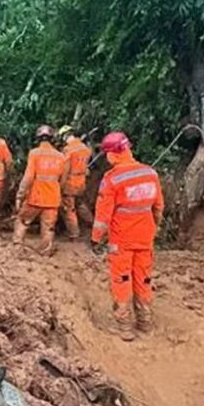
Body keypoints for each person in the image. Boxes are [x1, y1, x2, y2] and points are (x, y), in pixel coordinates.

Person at [91, 131, 165, 341]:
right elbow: (158, 207)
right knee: (143, 278)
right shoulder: (150, 173)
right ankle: (145, 322)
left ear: (113, 154)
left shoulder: (112, 179)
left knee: (122, 279)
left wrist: (96, 238)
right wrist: (154, 227)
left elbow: (103, 215)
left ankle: (124, 327)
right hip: (145, 238)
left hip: (121, 241)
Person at [13, 125, 69, 254]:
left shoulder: (35, 153)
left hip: (35, 197)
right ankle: (45, 250)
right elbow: (63, 180)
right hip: (53, 198)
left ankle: (17, 247)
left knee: (23, 220)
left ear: (38, 139)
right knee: (48, 227)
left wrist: (20, 194)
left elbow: (28, 176)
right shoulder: (61, 156)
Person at [58, 125, 93, 239]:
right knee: (80, 204)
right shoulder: (84, 148)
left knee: (69, 208)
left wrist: (61, 186)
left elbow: (65, 170)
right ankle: (92, 224)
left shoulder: (68, 150)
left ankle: (74, 234)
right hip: (81, 181)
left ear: (65, 136)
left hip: (70, 182)